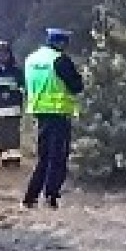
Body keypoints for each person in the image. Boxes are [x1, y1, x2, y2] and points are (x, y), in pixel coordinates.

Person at [22, 28, 84, 209]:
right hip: (58, 113)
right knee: (57, 157)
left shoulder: (32, 59)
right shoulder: (60, 60)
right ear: (61, 42)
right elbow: (76, 86)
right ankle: (51, 196)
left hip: (39, 112)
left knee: (43, 157)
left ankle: (30, 197)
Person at [0, 40, 24, 167]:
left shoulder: (17, 72)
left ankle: (15, 160)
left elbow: (22, 89)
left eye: (5, 54)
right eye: (0, 54)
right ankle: (5, 159)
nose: (3, 57)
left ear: (9, 55)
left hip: (13, 109)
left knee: (13, 135)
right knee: (0, 137)